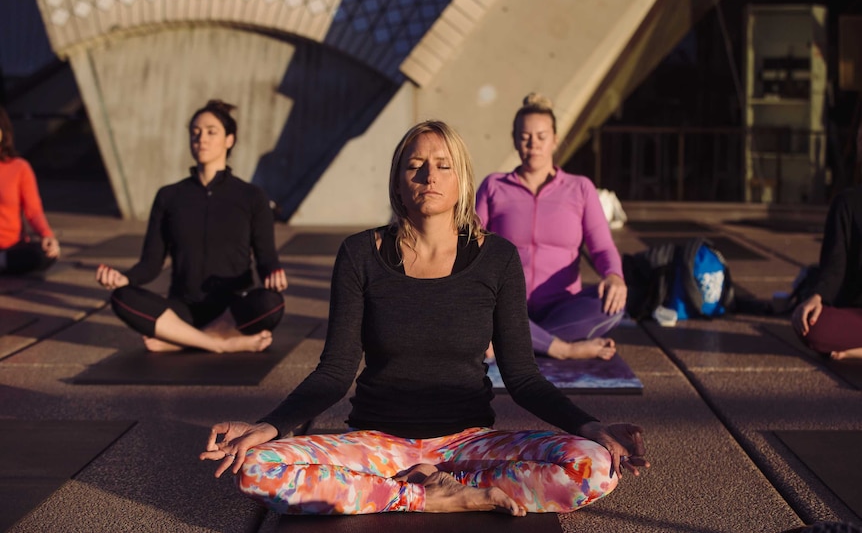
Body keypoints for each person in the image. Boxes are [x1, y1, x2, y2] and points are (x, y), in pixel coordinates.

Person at [200, 120, 647, 516]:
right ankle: (428, 496)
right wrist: (268, 425)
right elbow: (334, 372)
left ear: (462, 180)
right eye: (415, 165)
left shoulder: (497, 258)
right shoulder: (360, 254)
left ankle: (410, 491)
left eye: (443, 165)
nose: (429, 175)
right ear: (398, 181)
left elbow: (523, 378)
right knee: (256, 468)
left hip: (468, 446)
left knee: (595, 466)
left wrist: (591, 426)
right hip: (378, 443)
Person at [95, 100, 287, 353]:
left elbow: (266, 259)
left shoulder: (252, 196)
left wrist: (274, 274)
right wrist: (124, 278)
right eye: (195, 132)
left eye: (211, 131)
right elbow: (150, 264)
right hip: (182, 307)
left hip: (232, 308)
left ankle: (178, 341)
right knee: (122, 298)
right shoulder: (169, 196)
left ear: (229, 140)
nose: (201, 138)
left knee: (271, 303)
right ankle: (219, 343)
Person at [476, 94, 627, 361]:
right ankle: (561, 348)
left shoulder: (580, 188)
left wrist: (614, 276)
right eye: (525, 136)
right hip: (506, 304)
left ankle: (509, 341)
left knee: (612, 304)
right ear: (514, 139)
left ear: (555, 139)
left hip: (562, 308)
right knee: (469, 299)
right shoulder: (493, 186)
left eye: (541, 136)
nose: (533, 144)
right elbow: (471, 246)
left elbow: (602, 247)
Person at [791, 125, 862, 361]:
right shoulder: (847, 204)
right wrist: (817, 296)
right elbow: (835, 266)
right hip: (856, 312)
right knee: (813, 326)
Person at [0, 105, 61, 275]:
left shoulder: (20, 168)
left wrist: (46, 235)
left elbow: (34, 211)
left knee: (46, 254)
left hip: (12, 249)